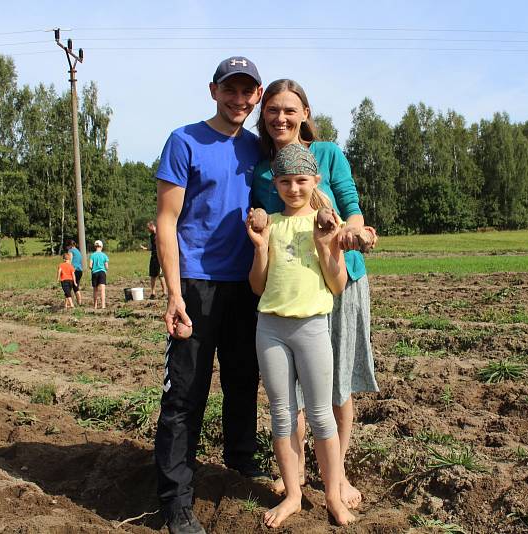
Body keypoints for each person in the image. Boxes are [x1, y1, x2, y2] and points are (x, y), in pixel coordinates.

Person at [253, 79, 379, 509]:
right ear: (262, 115)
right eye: (272, 110)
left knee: (335, 386)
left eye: (290, 109)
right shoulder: (262, 170)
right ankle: (297, 478)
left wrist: (351, 232)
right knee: (294, 397)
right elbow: (269, 228)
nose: (281, 117)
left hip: (341, 280)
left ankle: (337, 479)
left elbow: (350, 203)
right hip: (289, 292)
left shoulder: (327, 153)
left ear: (305, 112)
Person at [153, 55, 265, 534]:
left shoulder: (261, 150)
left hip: (246, 285)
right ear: (213, 90)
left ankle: (241, 467)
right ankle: (176, 499)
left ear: (257, 96)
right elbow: (166, 220)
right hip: (196, 284)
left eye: (247, 91)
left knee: (243, 382)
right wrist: (174, 294)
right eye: (230, 89)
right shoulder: (184, 141)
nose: (238, 99)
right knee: (185, 393)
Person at [247, 143, 355, 528]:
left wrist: (327, 247)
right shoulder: (271, 224)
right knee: (282, 415)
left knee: (322, 416)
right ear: (275, 183)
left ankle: (331, 495)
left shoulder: (326, 224)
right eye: (286, 181)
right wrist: (260, 248)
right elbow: (257, 287)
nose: (294, 189)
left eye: (301, 181)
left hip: (311, 327)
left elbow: (338, 284)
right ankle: (294, 494)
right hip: (270, 328)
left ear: (315, 180)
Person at [141, 220, 166, 298]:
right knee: (152, 275)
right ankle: (153, 293)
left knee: (160, 275)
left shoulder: (159, 233)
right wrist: (146, 248)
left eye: (148, 228)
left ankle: (164, 292)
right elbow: (152, 247)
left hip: (159, 257)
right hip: (153, 257)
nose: (148, 229)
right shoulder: (151, 235)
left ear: (152, 226)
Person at [89, 240, 109, 309]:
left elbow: (90, 266)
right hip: (102, 273)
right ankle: (103, 305)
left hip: (94, 273)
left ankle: (95, 306)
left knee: (95, 290)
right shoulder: (104, 255)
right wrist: (105, 269)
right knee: (102, 290)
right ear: (102, 247)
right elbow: (106, 266)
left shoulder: (92, 255)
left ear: (95, 247)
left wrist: (93, 269)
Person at [66, 239, 83, 305]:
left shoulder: (71, 251)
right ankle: (79, 303)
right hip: (80, 271)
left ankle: (67, 304)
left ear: (70, 245)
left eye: (67, 246)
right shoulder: (78, 251)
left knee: (68, 287)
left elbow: (69, 261)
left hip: (74, 271)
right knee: (76, 287)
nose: (66, 247)